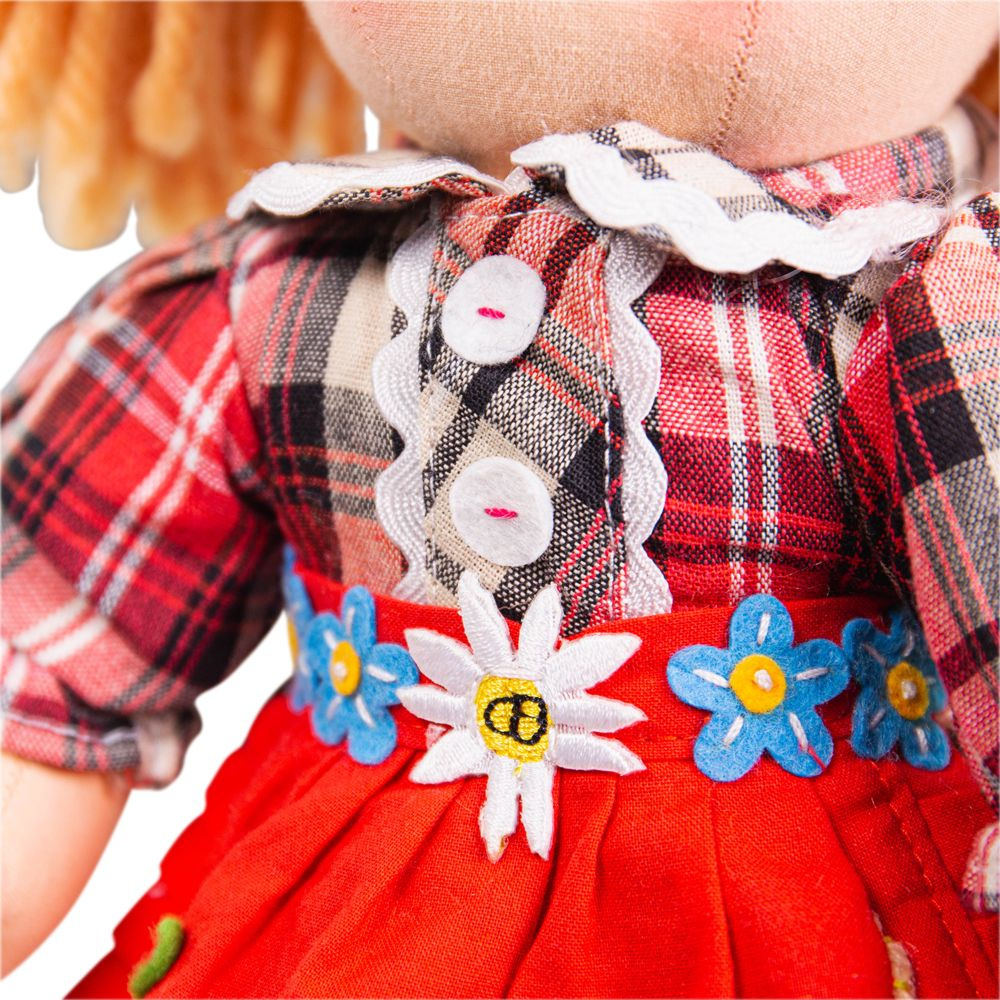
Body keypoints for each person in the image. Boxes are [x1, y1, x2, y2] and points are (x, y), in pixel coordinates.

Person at [2, 2, 997, 996]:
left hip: (813, 919)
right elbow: (52, 624)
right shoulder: (283, 281)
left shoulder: (927, 295)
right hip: (337, 920)